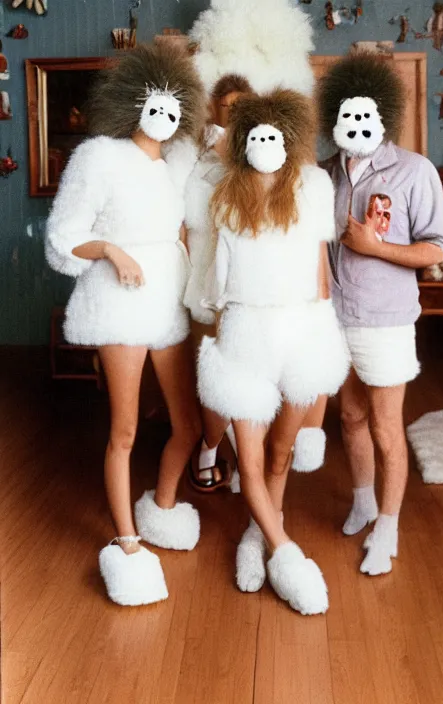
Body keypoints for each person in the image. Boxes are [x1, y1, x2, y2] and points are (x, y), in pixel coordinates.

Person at [45, 44, 206, 606]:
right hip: (118, 304)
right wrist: (112, 249)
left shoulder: (180, 163)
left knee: (189, 426)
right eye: (153, 105)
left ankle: (161, 507)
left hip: (168, 303)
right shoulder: (99, 157)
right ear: (134, 104)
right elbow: (62, 239)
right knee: (125, 429)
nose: (162, 118)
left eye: (172, 109)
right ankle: (129, 543)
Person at [197, 89, 350, 614]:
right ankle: (281, 550)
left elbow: (320, 269)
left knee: (282, 451)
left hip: (301, 327)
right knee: (252, 454)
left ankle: (256, 535)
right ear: (243, 141)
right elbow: (219, 278)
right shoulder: (225, 195)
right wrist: (220, 332)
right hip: (244, 329)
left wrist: (324, 333)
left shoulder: (311, 186)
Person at [319, 52, 443, 576]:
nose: (355, 123)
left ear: (381, 114)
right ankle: (362, 502)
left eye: (365, 112)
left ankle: (388, 528)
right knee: (349, 416)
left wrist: (375, 249)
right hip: (333, 319)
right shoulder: (323, 175)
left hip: (386, 319)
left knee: (384, 425)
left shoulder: (414, 171)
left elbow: (436, 248)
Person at [182, 73, 253, 493]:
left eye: (240, 107)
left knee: (243, 377)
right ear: (214, 107)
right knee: (213, 377)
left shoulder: (253, 156)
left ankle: (240, 457)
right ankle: (209, 450)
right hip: (199, 282)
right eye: (227, 106)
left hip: (243, 285)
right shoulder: (194, 157)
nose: (232, 113)